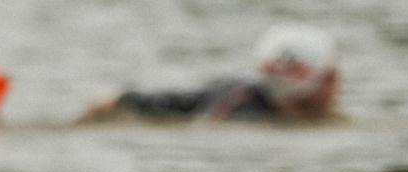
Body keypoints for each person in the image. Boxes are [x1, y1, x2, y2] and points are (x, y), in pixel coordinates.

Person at [82, 24, 339, 123]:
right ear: (319, 80)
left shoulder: (241, 93)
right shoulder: (244, 115)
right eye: (331, 77)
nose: (338, 85)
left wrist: (123, 98)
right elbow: (178, 104)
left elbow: (176, 101)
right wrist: (124, 100)